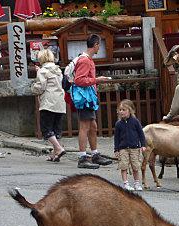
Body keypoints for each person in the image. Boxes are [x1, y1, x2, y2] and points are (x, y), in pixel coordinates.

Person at [73, 34, 113, 169]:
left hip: (88, 98)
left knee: (93, 126)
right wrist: (97, 79)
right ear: (95, 45)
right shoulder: (85, 60)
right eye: (99, 45)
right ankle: (83, 157)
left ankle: (94, 154)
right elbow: (79, 80)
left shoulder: (85, 59)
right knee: (85, 126)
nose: (99, 48)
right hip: (85, 98)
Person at [31, 49, 66, 162]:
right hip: (60, 102)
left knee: (46, 128)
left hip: (48, 102)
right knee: (56, 129)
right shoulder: (58, 70)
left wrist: (32, 87)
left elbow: (40, 87)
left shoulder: (43, 71)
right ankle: (55, 153)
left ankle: (59, 149)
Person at [114, 100, 146, 191]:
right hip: (123, 148)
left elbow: (141, 134)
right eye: (120, 110)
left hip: (134, 148)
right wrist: (116, 149)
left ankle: (137, 183)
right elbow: (116, 138)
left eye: (124, 110)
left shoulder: (135, 121)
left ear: (130, 110)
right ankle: (126, 183)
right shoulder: (118, 124)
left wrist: (143, 145)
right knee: (123, 165)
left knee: (135, 166)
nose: (121, 112)